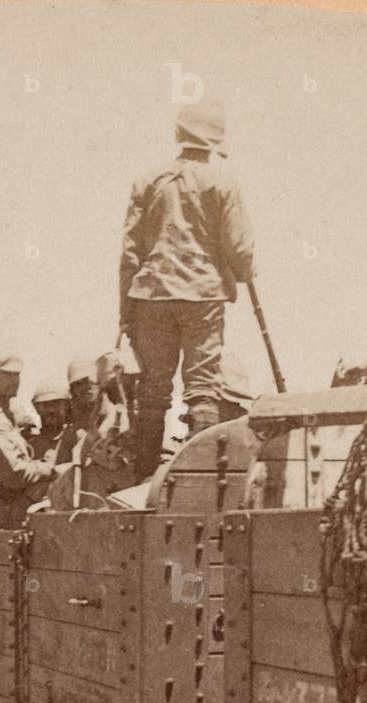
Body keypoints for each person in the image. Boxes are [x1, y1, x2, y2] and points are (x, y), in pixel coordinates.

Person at [120, 97, 256, 478]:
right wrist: (246, 271)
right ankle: (200, 481)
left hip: (150, 296)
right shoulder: (222, 182)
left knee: (152, 392)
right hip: (203, 296)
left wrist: (124, 312)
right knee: (202, 390)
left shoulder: (147, 181)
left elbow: (130, 255)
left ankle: (144, 477)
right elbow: (239, 248)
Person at [0, 351, 57, 530]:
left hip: (6, 505)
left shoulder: (5, 415)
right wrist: (50, 467)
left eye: (17, 375)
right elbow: (15, 475)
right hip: (2, 510)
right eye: (7, 375)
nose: (15, 380)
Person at [29, 379, 70, 459]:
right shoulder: (30, 447)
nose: (51, 410)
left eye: (56, 404)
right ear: (36, 408)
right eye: (45, 405)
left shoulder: (75, 440)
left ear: (66, 406)